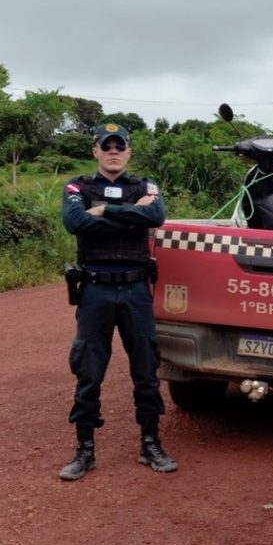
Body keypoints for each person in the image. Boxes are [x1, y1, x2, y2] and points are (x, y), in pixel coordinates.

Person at [58, 123, 177, 481]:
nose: (113, 150)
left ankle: (150, 443)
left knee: (145, 367)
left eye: (119, 146)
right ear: (95, 150)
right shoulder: (78, 186)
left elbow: (155, 216)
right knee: (88, 370)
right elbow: (75, 221)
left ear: (129, 152)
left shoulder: (146, 186)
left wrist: (102, 211)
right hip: (95, 290)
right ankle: (85, 449)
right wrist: (127, 213)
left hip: (136, 290)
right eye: (106, 145)